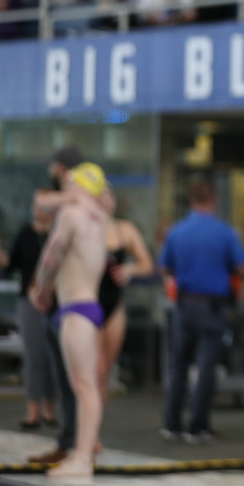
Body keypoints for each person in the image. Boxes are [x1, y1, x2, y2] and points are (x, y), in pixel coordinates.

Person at [29, 163, 112, 481]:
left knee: (84, 386)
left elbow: (52, 254)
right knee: (85, 386)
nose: (63, 190)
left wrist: (42, 288)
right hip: (88, 307)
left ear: (78, 186)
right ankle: (81, 454)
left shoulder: (72, 216)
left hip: (75, 309)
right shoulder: (98, 217)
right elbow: (45, 202)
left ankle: (81, 458)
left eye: (68, 184)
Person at [159, 179, 244, 442]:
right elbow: (242, 268)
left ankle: (171, 423)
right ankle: (197, 426)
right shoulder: (225, 233)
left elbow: (165, 268)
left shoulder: (176, 232)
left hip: (185, 304)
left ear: (190, 201)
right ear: (214, 201)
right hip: (212, 307)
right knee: (206, 367)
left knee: (178, 365)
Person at [7, 199, 59, 429]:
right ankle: (33, 410)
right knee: (33, 355)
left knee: (53, 356)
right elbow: (12, 266)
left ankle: (50, 408)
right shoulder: (26, 234)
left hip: (57, 300)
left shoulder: (60, 233)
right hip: (30, 299)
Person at [96, 211, 153, 401]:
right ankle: (82, 421)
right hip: (88, 301)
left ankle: (94, 422)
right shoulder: (79, 225)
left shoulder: (124, 229)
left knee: (105, 370)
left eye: (108, 195)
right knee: (97, 368)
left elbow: (147, 264)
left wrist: (129, 269)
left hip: (113, 302)